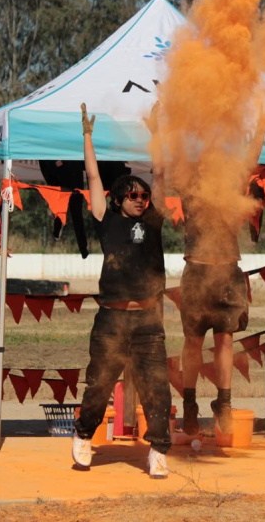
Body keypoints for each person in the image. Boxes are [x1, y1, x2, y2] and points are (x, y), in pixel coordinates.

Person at [153, 104, 265, 437]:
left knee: (225, 342)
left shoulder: (231, 186)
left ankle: (223, 402)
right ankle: (191, 403)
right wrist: (161, 130)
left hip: (227, 275)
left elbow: (249, 163)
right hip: (196, 273)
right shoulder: (190, 185)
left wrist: (262, 129)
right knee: (193, 343)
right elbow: (175, 156)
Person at [72, 103, 172, 479]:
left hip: (148, 320)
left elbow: (160, 171)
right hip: (111, 318)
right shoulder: (105, 219)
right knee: (99, 381)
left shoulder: (154, 220)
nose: (140, 197)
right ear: (118, 199)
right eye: (132, 193)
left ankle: (159, 449)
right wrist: (87, 137)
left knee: (157, 388)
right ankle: (84, 435)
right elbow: (93, 177)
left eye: (143, 194)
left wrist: (157, 133)